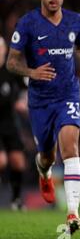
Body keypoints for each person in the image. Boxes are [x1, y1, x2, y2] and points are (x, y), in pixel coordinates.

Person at [6, 0, 80, 233]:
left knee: (71, 148)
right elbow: (11, 62)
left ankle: (72, 213)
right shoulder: (27, 23)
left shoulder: (76, 21)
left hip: (68, 95)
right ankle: (44, 173)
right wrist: (32, 73)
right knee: (47, 156)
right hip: (40, 100)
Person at [0, 35, 27, 210]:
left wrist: (23, 101)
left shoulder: (10, 69)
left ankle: (16, 200)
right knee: (1, 161)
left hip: (9, 120)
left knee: (18, 161)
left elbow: (26, 86)